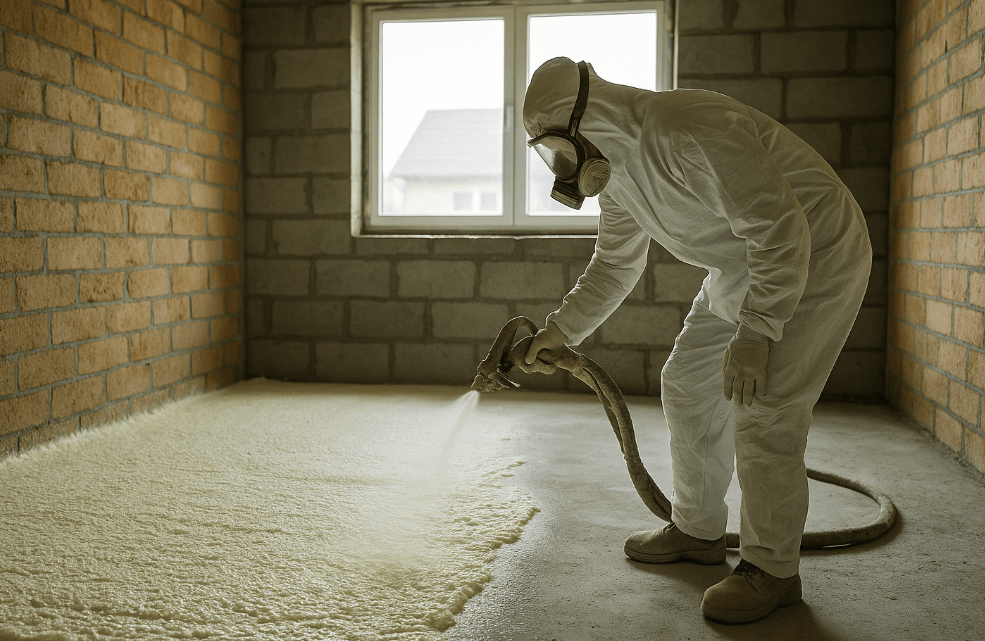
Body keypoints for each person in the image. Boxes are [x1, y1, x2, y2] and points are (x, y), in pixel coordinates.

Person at [522, 57, 872, 624]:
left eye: (559, 147)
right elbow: (614, 265)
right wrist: (559, 331)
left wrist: (757, 332)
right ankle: (698, 530)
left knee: (764, 406)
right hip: (744, 267)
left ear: (587, 118)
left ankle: (772, 572)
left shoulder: (687, 127)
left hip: (817, 255)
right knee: (687, 384)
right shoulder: (618, 174)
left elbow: (782, 228)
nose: (562, 165)